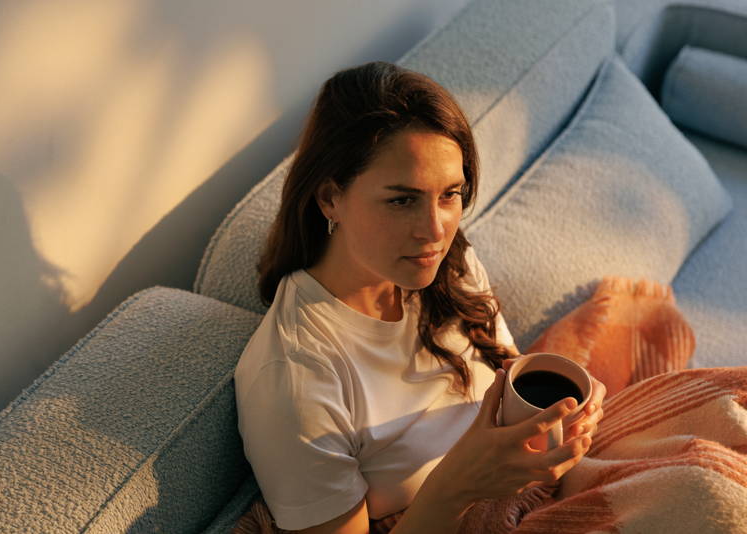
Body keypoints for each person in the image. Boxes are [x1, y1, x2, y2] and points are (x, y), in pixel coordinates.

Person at [233, 60, 606, 534]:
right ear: (330, 199)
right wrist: (457, 486)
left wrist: (567, 417)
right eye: (402, 200)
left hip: (541, 490)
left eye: (450, 195)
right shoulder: (294, 376)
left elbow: (510, 374)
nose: (435, 231)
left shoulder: (447, 265)